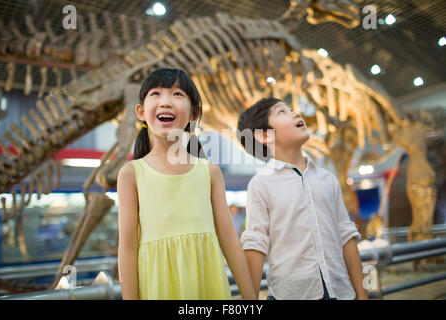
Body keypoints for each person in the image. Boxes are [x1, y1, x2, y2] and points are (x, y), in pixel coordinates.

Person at [117, 68, 255, 300]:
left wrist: (250, 298)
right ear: (140, 112)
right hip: (157, 287)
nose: (166, 102)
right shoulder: (131, 173)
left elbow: (229, 239)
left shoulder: (209, 172)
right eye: (156, 94)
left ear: (194, 113)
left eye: (178, 94)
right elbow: (127, 247)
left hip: (207, 284)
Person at [237, 97, 368, 300]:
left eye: (291, 109)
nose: (296, 113)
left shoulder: (328, 180)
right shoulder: (261, 184)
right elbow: (255, 243)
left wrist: (361, 293)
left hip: (341, 292)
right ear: (264, 136)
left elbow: (346, 235)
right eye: (282, 112)